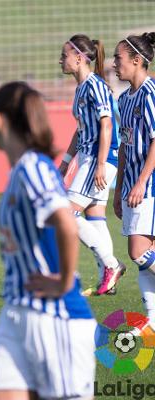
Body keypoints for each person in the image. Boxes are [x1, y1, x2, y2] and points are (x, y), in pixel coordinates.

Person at [0, 81, 95, 400]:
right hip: (16, 310)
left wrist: (62, 282)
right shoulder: (21, 171)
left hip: (53, 315)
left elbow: (66, 222)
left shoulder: (34, 167)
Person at [58, 34, 125, 296]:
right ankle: (106, 280)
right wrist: (65, 163)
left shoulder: (95, 86)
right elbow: (81, 129)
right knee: (95, 217)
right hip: (90, 157)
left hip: (100, 157)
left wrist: (99, 164)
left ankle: (111, 265)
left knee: (65, 214)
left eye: (64, 55)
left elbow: (107, 125)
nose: (60, 60)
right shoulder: (81, 88)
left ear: (79, 58)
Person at [112, 33, 155, 330]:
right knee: (146, 256)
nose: (114, 64)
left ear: (137, 61)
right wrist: (119, 189)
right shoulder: (123, 99)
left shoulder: (151, 93)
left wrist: (141, 182)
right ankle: (152, 320)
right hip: (131, 187)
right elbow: (125, 146)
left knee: (138, 252)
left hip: (149, 186)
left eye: (118, 58)